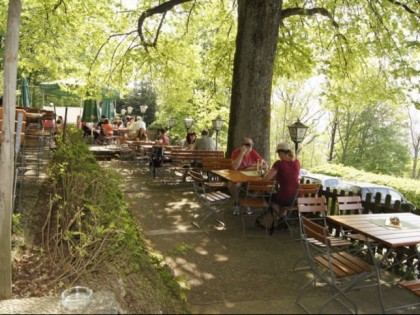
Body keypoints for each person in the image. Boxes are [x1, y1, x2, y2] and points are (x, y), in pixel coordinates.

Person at [263, 141, 300, 218]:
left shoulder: (279, 163)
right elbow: (289, 175)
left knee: (267, 196)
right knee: (281, 195)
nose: (278, 155)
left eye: (278, 153)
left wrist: (266, 172)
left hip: (286, 198)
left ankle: (282, 217)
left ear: (281, 153)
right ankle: (282, 217)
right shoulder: (296, 162)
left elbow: (266, 178)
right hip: (297, 198)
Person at [230, 137, 266, 215]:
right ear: (242, 146)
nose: (250, 146)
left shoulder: (253, 152)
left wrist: (253, 167)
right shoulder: (236, 152)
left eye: (252, 144)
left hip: (250, 177)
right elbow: (235, 167)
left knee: (263, 184)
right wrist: (242, 153)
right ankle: (237, 203)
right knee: (231, 184)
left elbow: (264, 164)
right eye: (248, 144)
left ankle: (247, 203)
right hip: (238, 177)